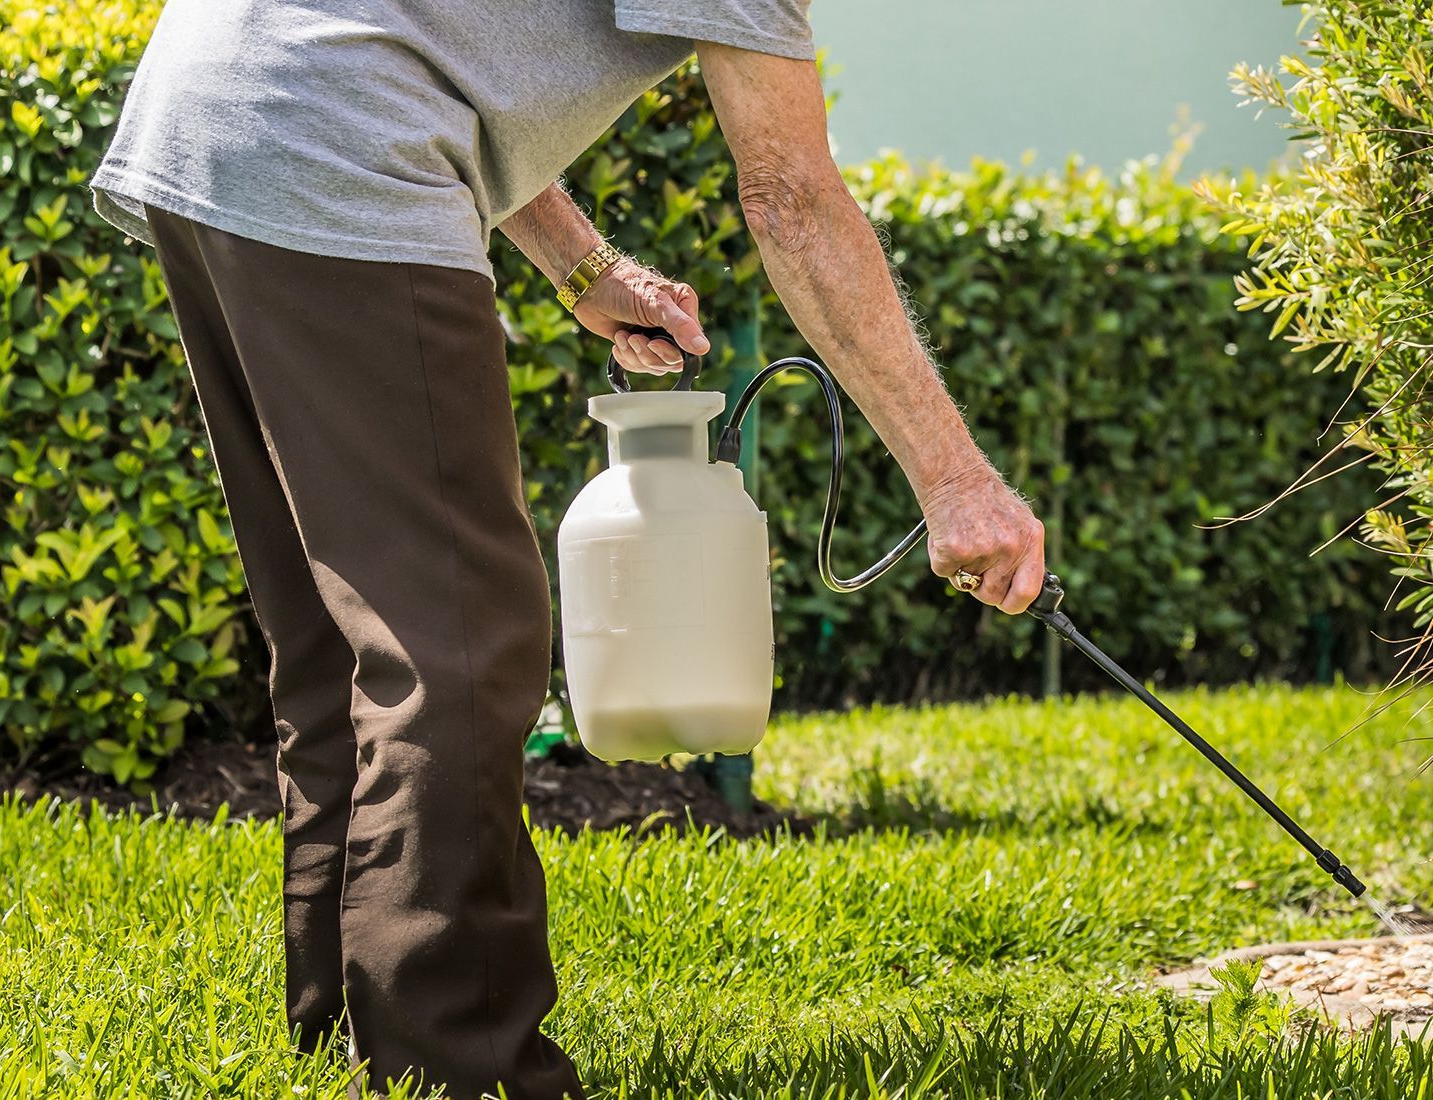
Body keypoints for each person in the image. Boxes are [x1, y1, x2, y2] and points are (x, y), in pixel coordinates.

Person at [91, 1, 1045, 1096]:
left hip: (207, 110)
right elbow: (791, 200)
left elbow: (439, 42)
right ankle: (458, 1065)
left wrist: (582, 263)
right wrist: (958, 484)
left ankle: (339, 1029)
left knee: (341, 637)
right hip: (338, 138)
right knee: (452, 644)